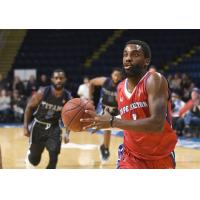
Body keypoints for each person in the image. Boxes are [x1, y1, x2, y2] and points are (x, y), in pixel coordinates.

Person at [81, 40, 177, 169]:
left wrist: (112, 122)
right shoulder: (120, 88)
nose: (128, 58)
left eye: (135, 55)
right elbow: (128, 120)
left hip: (161, 157)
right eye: (125, 54)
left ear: (146, 61)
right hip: (130, 157)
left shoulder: (154, 80)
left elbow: (157, 124)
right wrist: (99, 121)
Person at [23, 69, 72, 169]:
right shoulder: (43, 92)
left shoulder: (67, 97)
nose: (58, 80)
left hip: (54, 128)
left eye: (61, 78)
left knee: (53, 160)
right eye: (56, 78)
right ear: (52, 80)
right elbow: (29, 107)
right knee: (35, 161)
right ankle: (30, 155)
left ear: (65, 80)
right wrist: (25, 127)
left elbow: (69, 117)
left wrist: (67, 134)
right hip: (39, 126)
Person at [88, 68, 122, 161]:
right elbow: (91, 82)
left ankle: (107, 146)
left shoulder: (121, 86)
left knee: (125, 128)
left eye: (118, 76)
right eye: (115, 75)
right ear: (111, 75)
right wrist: (90, 98)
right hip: (104, 108)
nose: (116, 77)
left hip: (116, 109)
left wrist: (118, 98)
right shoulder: (105, 81)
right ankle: (105, 148)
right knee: (108, 128)